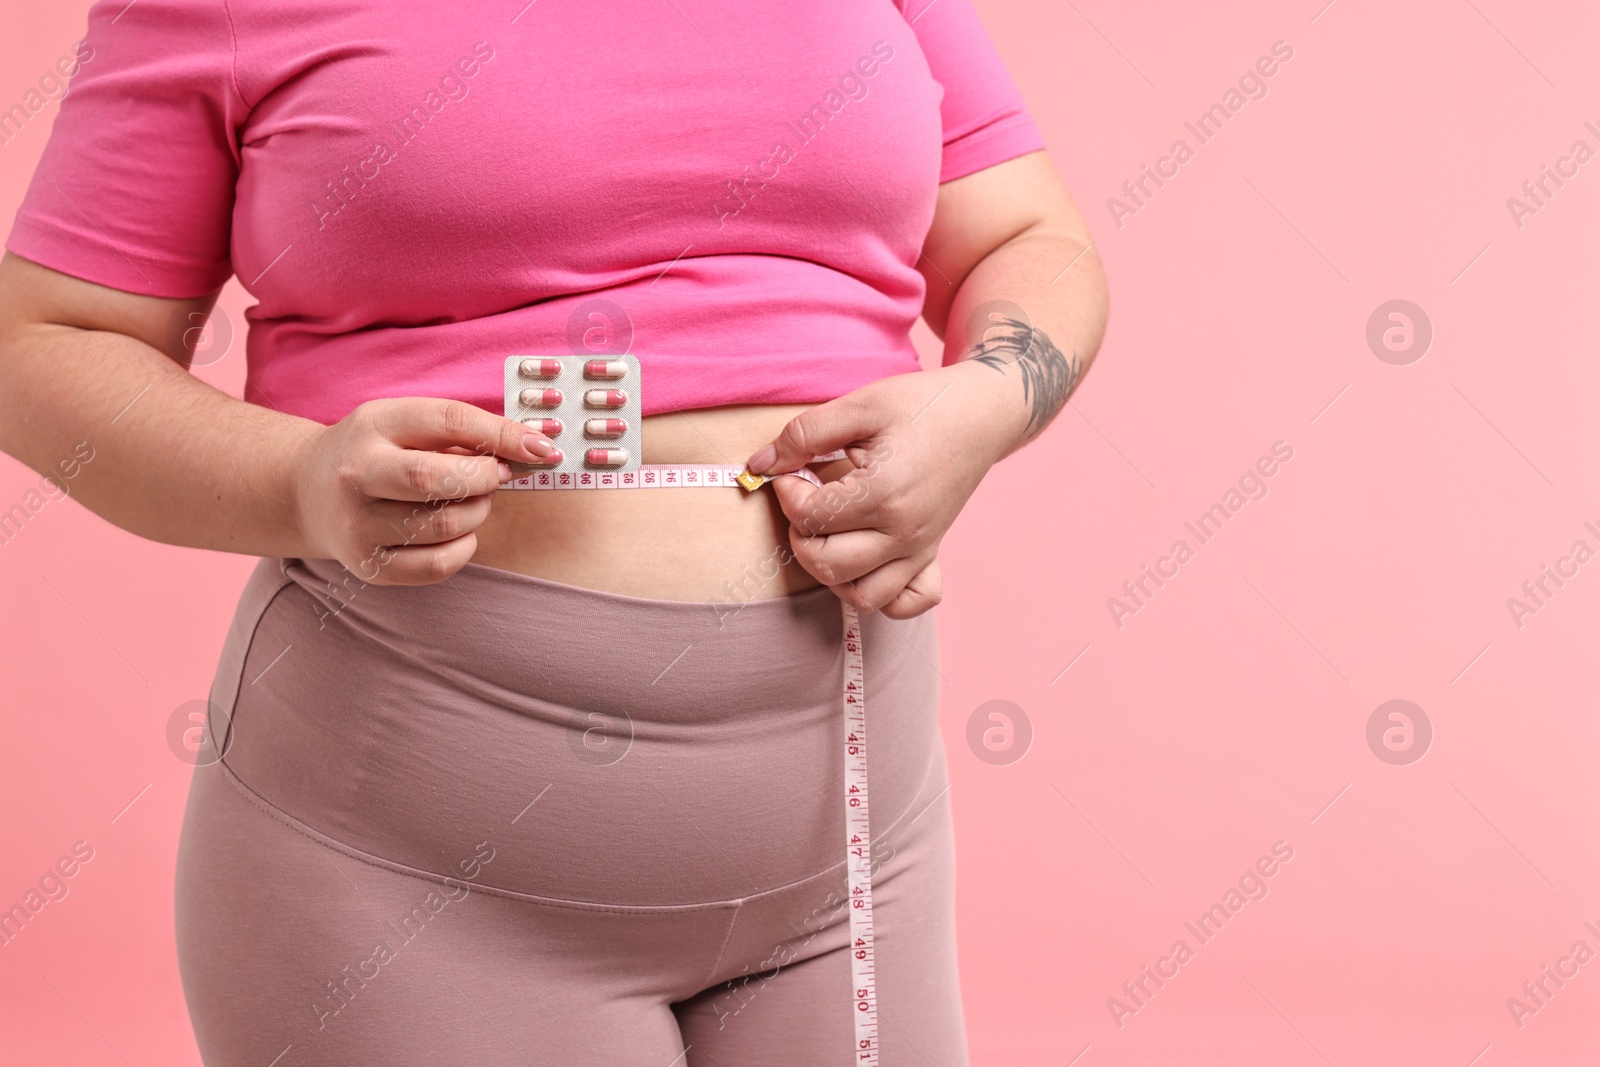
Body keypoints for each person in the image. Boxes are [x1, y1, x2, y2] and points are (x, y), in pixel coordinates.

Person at [0, 0, 1107, 1063]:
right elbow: (41, 345)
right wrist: (298, 480)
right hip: (413, 870)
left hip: (856, 847)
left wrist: (987, 401)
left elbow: (1027, 235)